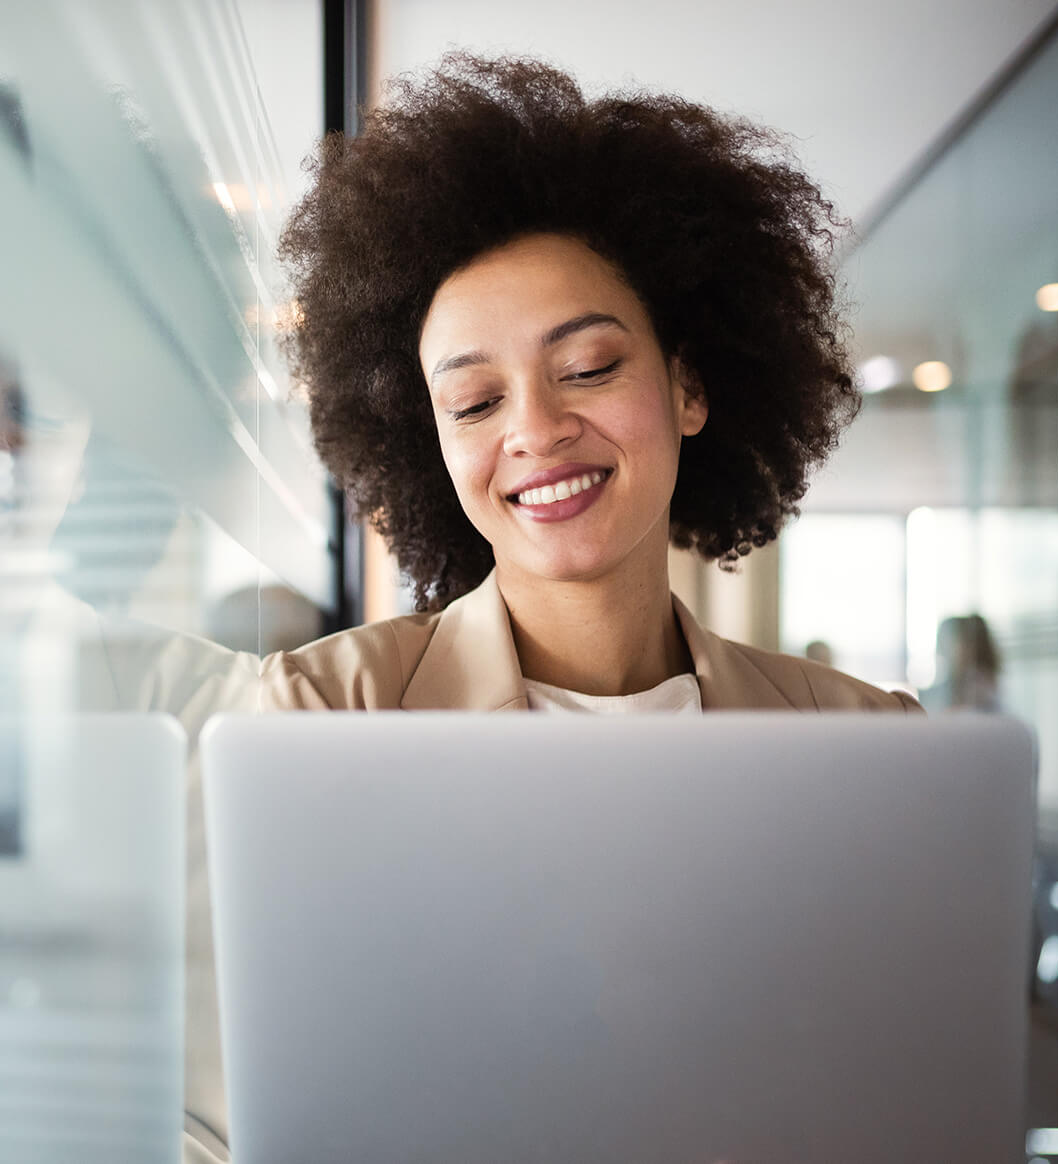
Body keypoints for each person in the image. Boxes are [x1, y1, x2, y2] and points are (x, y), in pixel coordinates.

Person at [184, 53, 921, 1162]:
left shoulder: (869, 748)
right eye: (475, 399)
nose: (533, 429)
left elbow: (908, 1091)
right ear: (430, 445)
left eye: (585, 367)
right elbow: (225, 1122)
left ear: (689, 386)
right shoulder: (319, 719)